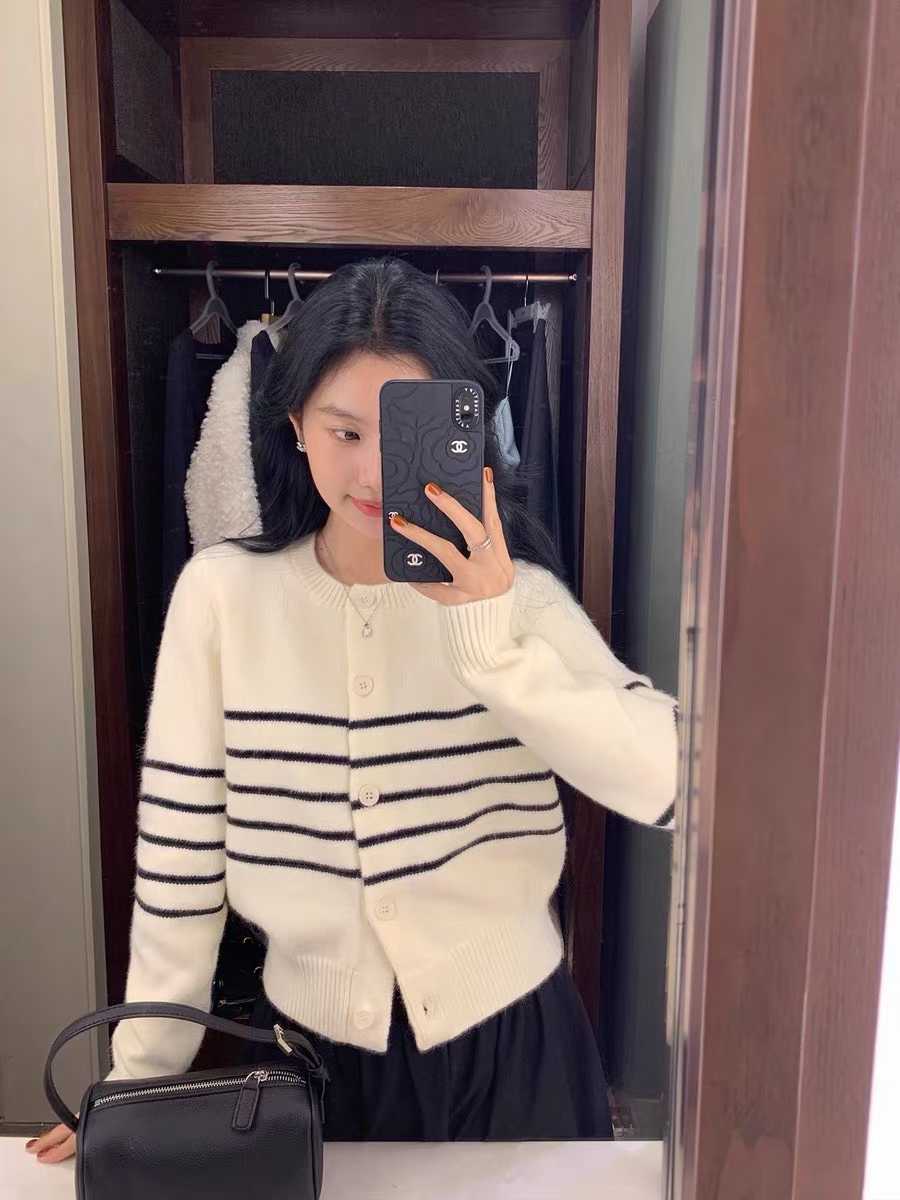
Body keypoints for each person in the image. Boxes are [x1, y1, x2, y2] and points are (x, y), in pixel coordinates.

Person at [28, 256, 678, 1163]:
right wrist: (138, 1085)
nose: (372, 469)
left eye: (400, 431)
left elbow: (667, 781)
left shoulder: (517, 601)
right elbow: (181, 863)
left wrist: (493, 642)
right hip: (316, 1067)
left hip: (517, 1051)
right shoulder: (222, 598)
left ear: (459, 430)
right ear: (295, 424)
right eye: (344, 431)